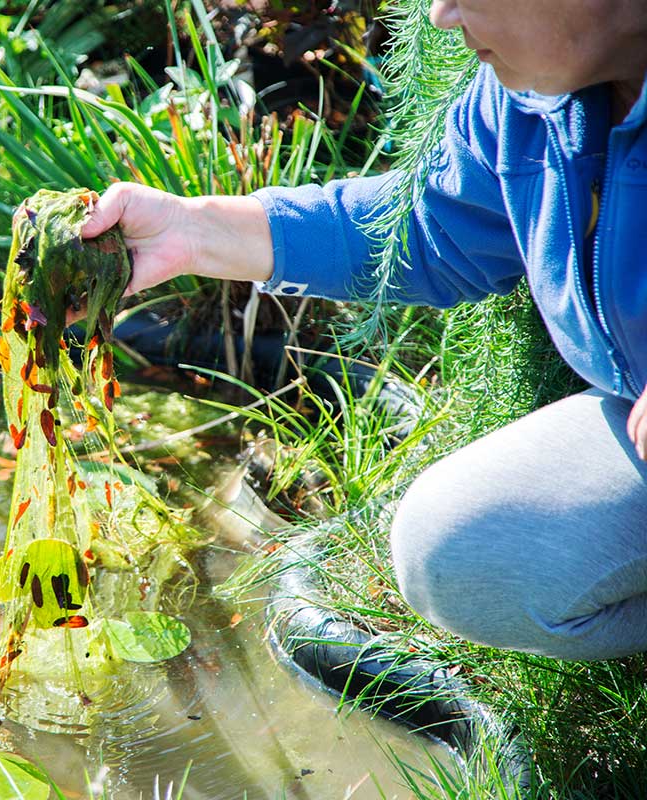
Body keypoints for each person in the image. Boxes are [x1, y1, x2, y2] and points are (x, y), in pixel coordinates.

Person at [80, 0, 647, 661]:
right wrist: (195, 232)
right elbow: (430, 232)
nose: (440, 14)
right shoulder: (534, 104)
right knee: (460, 553)